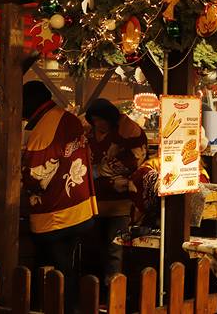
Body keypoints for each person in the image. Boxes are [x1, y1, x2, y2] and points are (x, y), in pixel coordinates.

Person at [21, 81, 98, 311]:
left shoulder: (46, 128)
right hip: (80, 206)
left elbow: (36, 177)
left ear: (31, 102)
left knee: (56, 268)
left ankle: (63, 308)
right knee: (65, 267)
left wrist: (19, 171)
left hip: (56, 215)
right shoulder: (67, 118)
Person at [85, 98, 147, 292]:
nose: (98, 124)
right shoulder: (89, 133)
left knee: (115, 250)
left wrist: (100, 171)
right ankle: (96, 295)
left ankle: (115, 295)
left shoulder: (129, 131)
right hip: (93, 204)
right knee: (93, 250)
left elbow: (135, 160)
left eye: (101, 119)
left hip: (119, 205)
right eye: (94, 120)